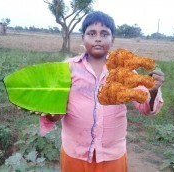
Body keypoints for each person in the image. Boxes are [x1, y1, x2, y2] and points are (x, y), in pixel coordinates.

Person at [39, 11, 165, 172]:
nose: (98, 38)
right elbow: (54, 109)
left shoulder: (125, 72)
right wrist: (50, 113)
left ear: (112, 40)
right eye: (92, 33)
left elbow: (146, 109)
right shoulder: (67, 69)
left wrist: (153, 92)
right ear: (83, 38)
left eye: (104, 34)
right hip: (75, 153)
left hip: (112, 156)